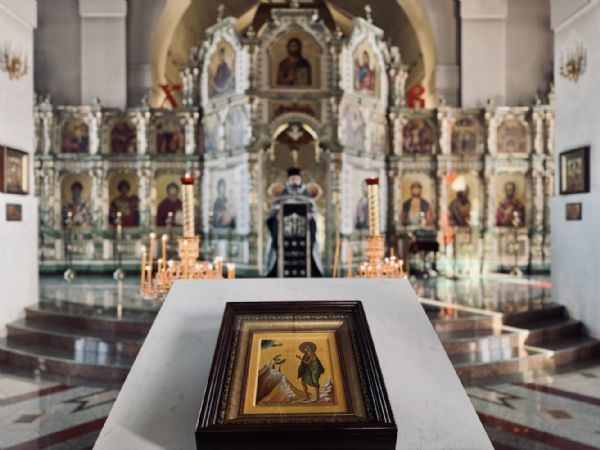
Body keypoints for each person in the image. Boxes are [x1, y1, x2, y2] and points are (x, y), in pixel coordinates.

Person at [264, 168, 323, 277]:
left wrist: (311, 216)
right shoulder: (281, 197)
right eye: (292, 179)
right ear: (289, 181)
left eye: (296, 179)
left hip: (304, 234)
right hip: (283, 235)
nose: (295, 181)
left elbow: (315, 213)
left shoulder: (307, 197)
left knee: (309, 250)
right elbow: (271, 215)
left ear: (300, 180)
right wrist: (277, 216)